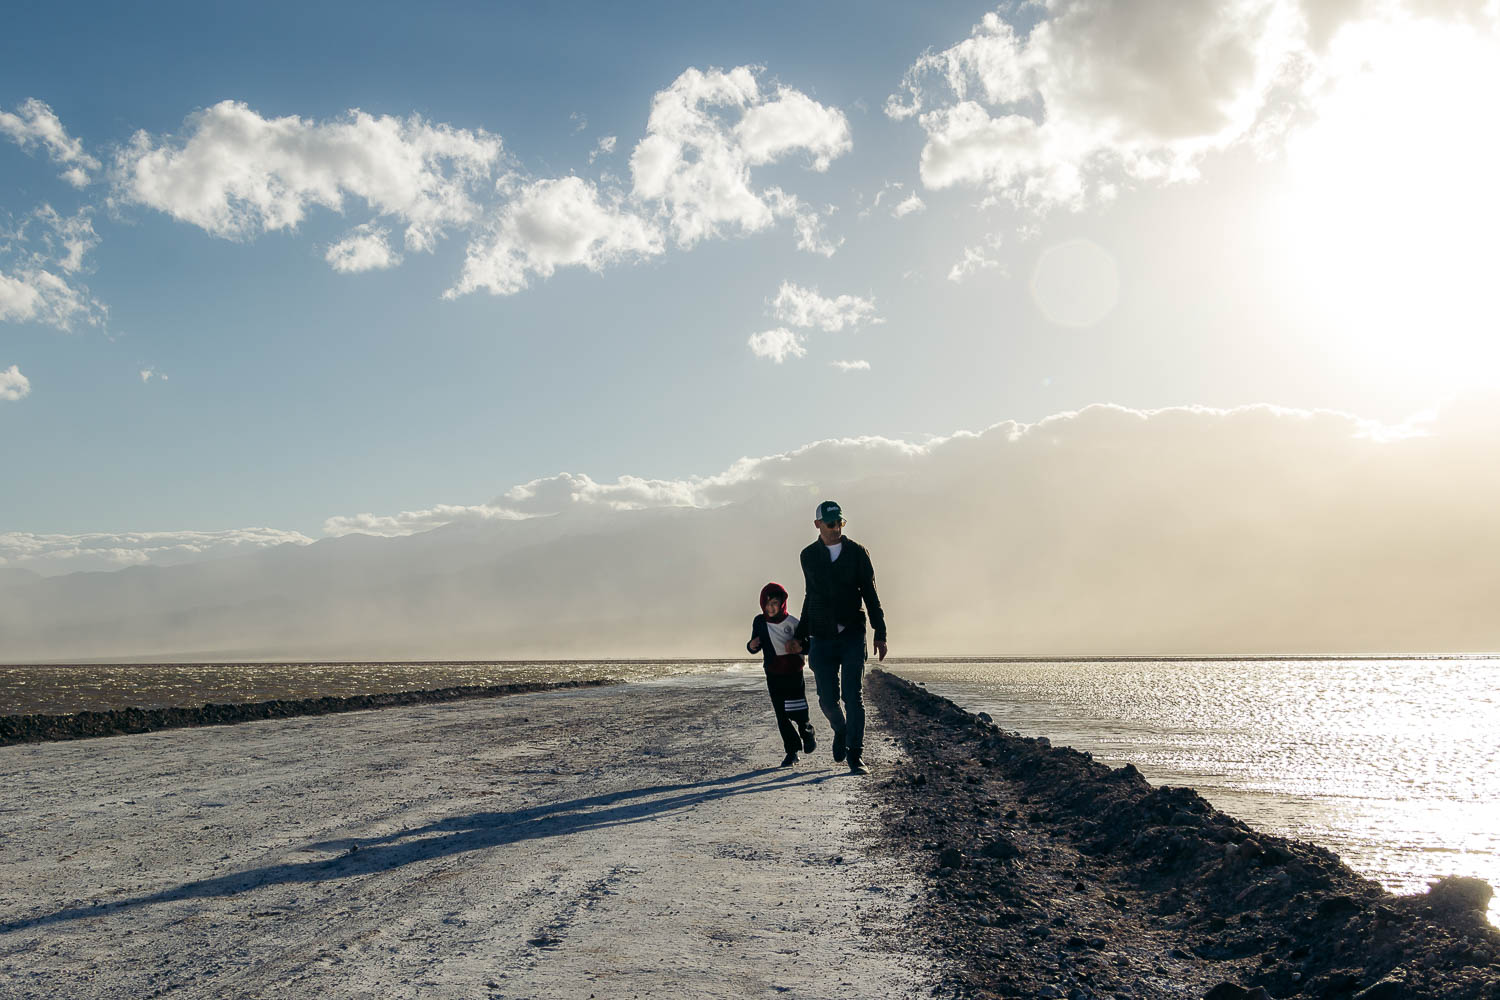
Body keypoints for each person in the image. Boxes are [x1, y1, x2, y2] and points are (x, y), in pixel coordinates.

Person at [788, 500, 887, 775]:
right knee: (827, 700)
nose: (835, 528)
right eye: (830, 523)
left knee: (853, 697)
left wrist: (880, 632)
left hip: (853, 633)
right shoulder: (808, 556)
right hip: (821, 636)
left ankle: (856, 755)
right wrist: (800, 636)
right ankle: (841, 729)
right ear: (818, 525)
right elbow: (811, 596)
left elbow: (870, 592)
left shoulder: (858, 553)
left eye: (839, 523)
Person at [746, 581, 817, 767]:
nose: (771, 608)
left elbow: (810, 646)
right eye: (768, 604)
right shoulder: (759, 622)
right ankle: (792, 752)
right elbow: (755, 644)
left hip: (793, 672)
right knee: (781, 714)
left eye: (775, 603)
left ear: (782, 603)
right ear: (763, 604)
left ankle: (807, 733)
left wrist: (799, 646)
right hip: (773, 673)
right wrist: (751, 646)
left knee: (798, 711)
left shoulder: (793, 623)